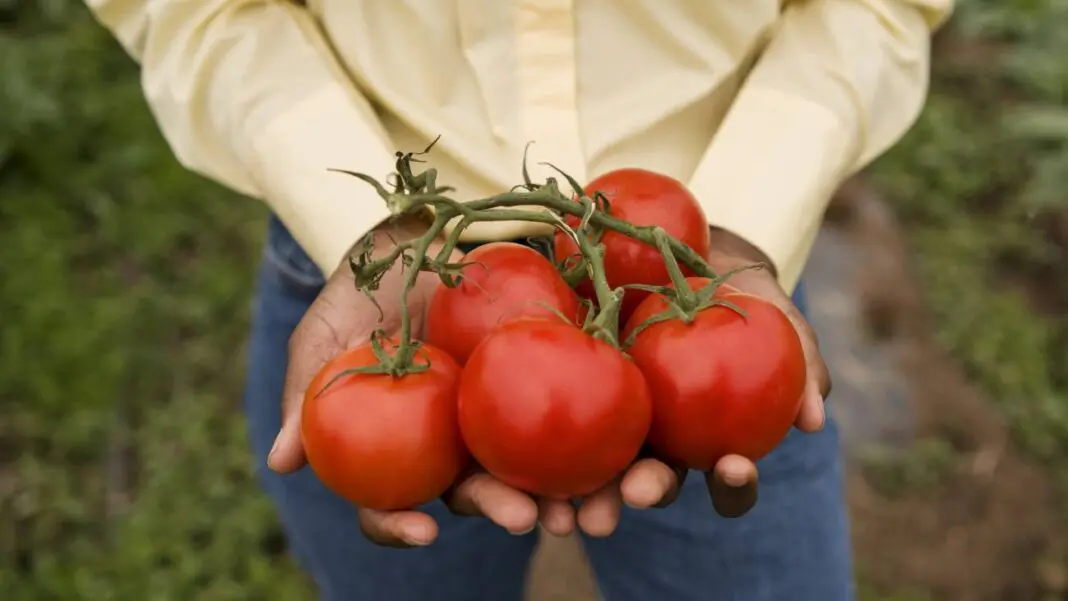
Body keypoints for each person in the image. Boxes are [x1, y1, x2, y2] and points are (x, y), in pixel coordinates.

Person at [86, 1, 952, 599]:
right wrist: (361, 224)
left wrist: (750, 221)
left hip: (700, 278)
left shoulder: (707, 298)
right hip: (383, 295)